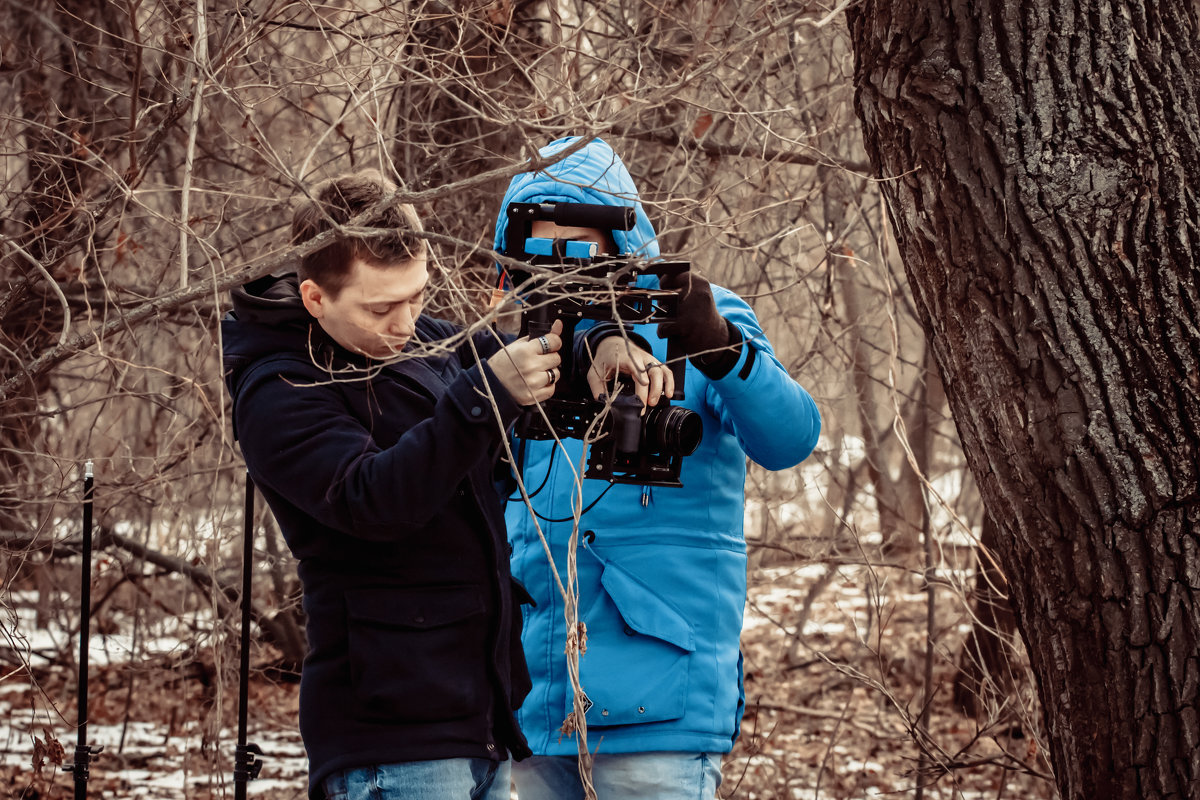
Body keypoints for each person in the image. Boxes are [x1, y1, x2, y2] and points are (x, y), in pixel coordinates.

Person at [221, 169, 662, 800]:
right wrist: (483, 396)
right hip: (389, 737)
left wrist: (601, 348)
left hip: (476, 720)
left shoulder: (421, 340)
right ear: (315, 298)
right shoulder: (279, 388)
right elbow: (372, 499)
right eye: (380, 307)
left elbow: (528, 357)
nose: (406, 322)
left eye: (419, 296)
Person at [493, 138, 822, 800]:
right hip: (530, 700)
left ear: (619, 241)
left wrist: (722, 351)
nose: (562, 269)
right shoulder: (518, 351)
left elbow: (790, 439)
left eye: (579, 248)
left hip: (660, 703)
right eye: (542, 252)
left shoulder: (694, 317)